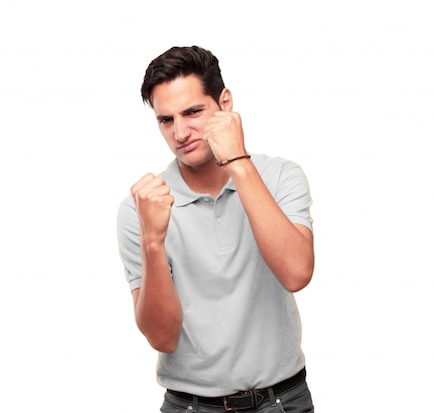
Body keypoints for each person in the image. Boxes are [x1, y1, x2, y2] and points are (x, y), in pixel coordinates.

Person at [116, 45, 315, 412]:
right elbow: (161, 337)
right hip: (190, 405)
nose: (180, 132)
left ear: (225, 104)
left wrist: (237, 161)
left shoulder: (281, 176)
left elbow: (297, 274)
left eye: (193, 112)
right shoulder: (141, 208)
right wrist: (153, 241)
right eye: (166, 120)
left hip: (282, 401)